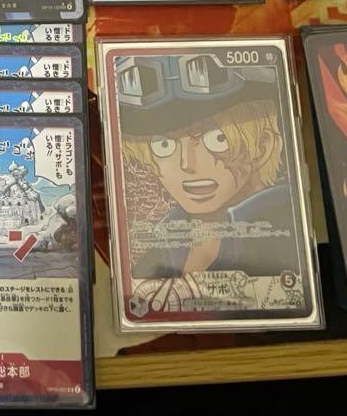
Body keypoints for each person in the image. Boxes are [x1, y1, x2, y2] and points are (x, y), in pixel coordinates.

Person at [117, 54, 300, 278]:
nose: (187, 164)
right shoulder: (168, 238)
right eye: (164, 145)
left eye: (217, 139)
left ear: (262, 146)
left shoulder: (282, 223)